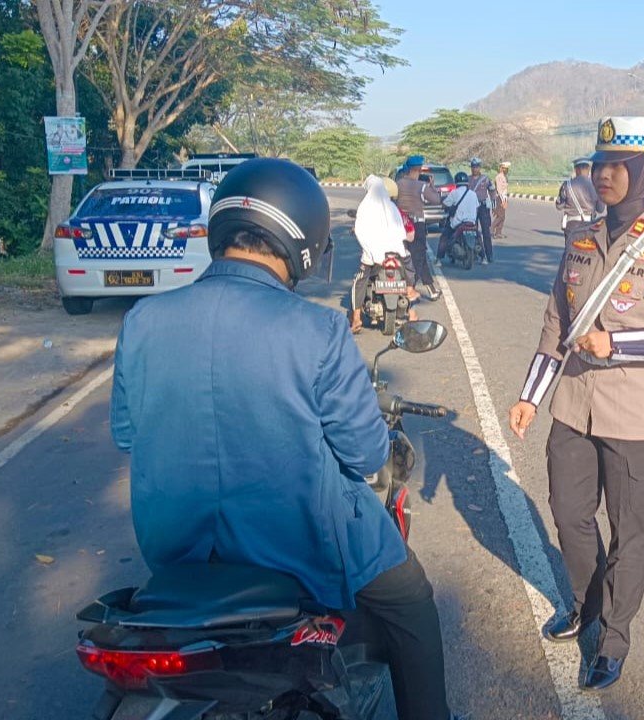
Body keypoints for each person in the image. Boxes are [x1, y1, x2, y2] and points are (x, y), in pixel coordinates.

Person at [109, 159, 455, 720]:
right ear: (303, 242)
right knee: (411, 602)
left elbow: (127, 434)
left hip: (176, 547)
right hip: (296, 544)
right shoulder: (316, 328)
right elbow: (367, 453)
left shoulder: (143, 319)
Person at [506, 116, 644, 691]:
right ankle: (585, 604)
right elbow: (555, 325)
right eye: (599, 164)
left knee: (629, 534)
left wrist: (616, 343)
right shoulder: (581, 239)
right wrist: (530, 396)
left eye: (617, 165)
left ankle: (613, 637)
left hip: (639, 421)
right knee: (569, 515)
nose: (604, 175)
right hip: (572, 405)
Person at [350, 175, 418, 333]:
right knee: (409, 271)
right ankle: (410, 297)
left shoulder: (366, 206)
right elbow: (400, 230)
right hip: (396, 252)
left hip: (374, 255)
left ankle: (356, 318)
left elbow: (361, 227)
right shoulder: (392, 207)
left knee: (359, 281)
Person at [396, 155, 442, 298]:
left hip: (400, 224)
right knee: (419, 256)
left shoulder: (398, 184)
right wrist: (432, 186)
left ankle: (429, 288)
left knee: (404, 256)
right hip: (416, 224)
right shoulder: (421, 186)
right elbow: (436, 200)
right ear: (419, 170)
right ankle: (412, 288)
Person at [555, 156, 605, 240]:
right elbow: (600, 209)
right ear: (589, 169)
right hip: (589, 225)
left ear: (576, 170)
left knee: (570, 251)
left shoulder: (567, 185)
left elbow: (559, 206)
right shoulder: (596, 185)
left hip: (571, 225)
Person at [438, 170, 481, 260]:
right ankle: (483, 257)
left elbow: (444, 205)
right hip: (471, 222)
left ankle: (438, 259)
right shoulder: (473, 194)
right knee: (479, 237)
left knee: (444, 237)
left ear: (456, 182)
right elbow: (477, 208)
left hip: (458, 223)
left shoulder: (454, 193)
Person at [467, 158, 496, 264]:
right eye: (473, 167)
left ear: (480, 167)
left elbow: (492, 190)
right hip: (471, 208)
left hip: (483, 207)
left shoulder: (485, 179)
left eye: (477, 167)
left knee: (486, 232)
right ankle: (476, 253)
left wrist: (493, 203)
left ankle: (489, 255)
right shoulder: (467, 179)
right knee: (472, 231)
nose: (475, 169)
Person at [492, 161, 511, 238]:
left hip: (504, 197)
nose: (506, 170)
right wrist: (503, 200)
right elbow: (499, 190)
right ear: (501, 168)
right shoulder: (499, 177)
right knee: (500, 216)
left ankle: (498, 232)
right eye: (504, 169)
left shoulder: (504, 177)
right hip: (500, 198)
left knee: (503, 216)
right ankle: (491, 229)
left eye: (506, 169)